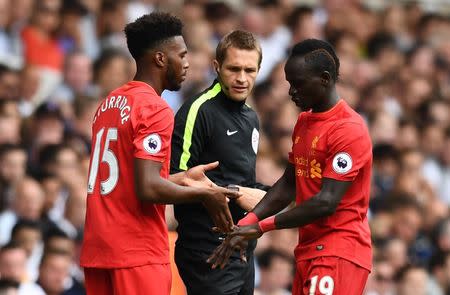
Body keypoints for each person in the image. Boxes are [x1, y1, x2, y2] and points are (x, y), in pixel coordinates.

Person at [80, 12, 240, 295]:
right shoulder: (154, 108)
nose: (187, 63)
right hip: (136, 251)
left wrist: (180, 178)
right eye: (182, 55)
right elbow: (148, 188)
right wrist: (205, 194)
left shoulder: (110, 103)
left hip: (100, 250)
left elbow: (130, 180)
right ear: (160, 59)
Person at [208, 39, 373, 295]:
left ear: (325, 79)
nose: (291, 92)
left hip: (339, 252)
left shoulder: (348, 129)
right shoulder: (305, 121)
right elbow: (288, 183)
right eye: (289, 83)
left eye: (298, 84)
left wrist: (261, 227)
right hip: (309, 250)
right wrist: (247, 223)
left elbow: (326, 201)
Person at [170, 30, 268, 295]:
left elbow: (242, 182)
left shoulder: (251, 119)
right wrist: (234, 194)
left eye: (250, 70)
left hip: (242, 249)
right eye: (233, 68)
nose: (241, 78)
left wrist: (270, 195)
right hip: (207, 251)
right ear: (217, 67)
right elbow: (173, 179)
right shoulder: (198, 111)